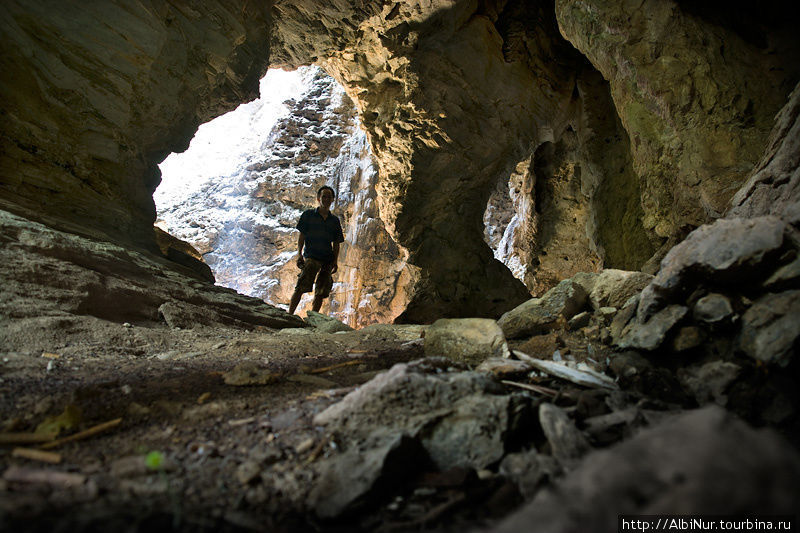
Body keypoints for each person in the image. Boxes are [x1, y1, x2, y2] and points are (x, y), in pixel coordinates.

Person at [288, 185, 345, 315]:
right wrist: (299, 254)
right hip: (311, 256)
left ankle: (313, 318)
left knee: (321, 291)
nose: (326, 199)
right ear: (318, 198)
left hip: (327, 259)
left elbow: (336, 243)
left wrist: (335, 261)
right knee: (301, 286)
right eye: (323, 196)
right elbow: (302, 236)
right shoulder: (308, 215)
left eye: (329, 197)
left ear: (332, 200)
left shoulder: (334, 221)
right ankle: (289, 314)